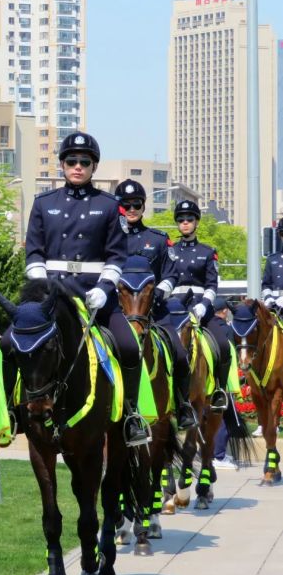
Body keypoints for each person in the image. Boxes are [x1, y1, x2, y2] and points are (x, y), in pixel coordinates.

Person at [25, 132, 150, 446]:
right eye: (71, 161)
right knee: (21, 343)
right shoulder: (43, 203)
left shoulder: (109, 206)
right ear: (62, 165)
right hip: (52, 299)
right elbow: (34, 252)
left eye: (84, 161)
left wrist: (106, 288)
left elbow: (116, 255)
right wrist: (41, 287)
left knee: (130, 347)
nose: (77, 166)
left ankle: (132, 415)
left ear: (93, 166)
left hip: (94, 296)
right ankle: (18, 409)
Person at [115, 179, 196, 430]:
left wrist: (161, 291)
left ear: (143, 206)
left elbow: (172, 273)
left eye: (136, 204)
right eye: (125, 205)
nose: (131, 209)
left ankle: (183, 406)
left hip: (153, 312)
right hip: (117, 312)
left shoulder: (158, 239)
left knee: (180, 354)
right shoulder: (107, 240)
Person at [171, 200, 230, 411]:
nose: (185, 223)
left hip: (200, 308)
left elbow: (212, 284)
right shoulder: (170, 250)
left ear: (196, 222)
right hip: (174, 309)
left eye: (189, 219)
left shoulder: (207, 251)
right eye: (181, 220)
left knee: (223, 345)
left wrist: (205, 304)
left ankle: (219, 391)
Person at [210, 297, 238, 468]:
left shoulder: (206, 328)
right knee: (225, 419)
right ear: (225, 311)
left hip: (208, 382)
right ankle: (219, 456)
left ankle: (209, 452)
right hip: (224, 380)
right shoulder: (227, 330)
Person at [261, 218, 283, 310]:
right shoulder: (272, 259)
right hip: (276, 307)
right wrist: (268, 297)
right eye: (282, 234)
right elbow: (266, 285)